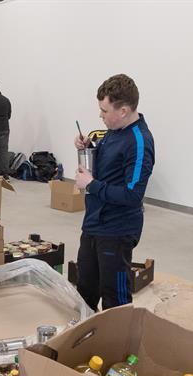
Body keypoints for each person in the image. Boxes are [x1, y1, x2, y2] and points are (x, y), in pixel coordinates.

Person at [73, 74, 155, 311]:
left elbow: (132, 195)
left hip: (117, 231)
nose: (101, 115)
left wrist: (91, 184)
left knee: (115, 300)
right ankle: (88, 333)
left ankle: (117, 335)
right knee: (85, 290)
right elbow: (110, 165)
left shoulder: (139, 142)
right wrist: (89, 148)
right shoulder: (114, 131)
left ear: (124, 111)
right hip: (94, 223)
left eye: (104, 110)